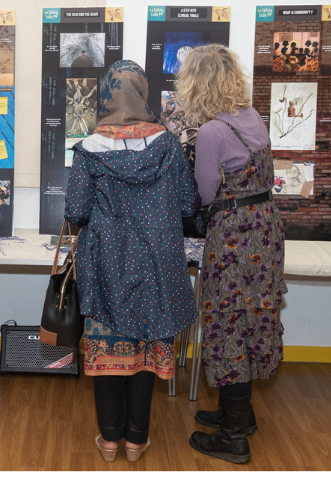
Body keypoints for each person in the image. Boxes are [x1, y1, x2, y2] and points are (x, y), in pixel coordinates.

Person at [64, 60, 199, 463]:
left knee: (107, 345)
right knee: (147, 346)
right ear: (143, 93)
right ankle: (137, 441)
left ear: (106, 95)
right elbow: (189, 203)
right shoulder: (169, 145)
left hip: (107, 261)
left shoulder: (88, 149)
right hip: (158, 263)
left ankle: (109, 441)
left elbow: (77, 209)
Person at [175, 44, 287, 464]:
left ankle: (233, 436)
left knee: (227, 322)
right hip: (266, 229)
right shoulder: (252, 117)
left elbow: (206, 193)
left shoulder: (211, 132)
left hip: (235, 235)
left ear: (197, 84)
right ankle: (237, 412)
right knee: (253, 316)